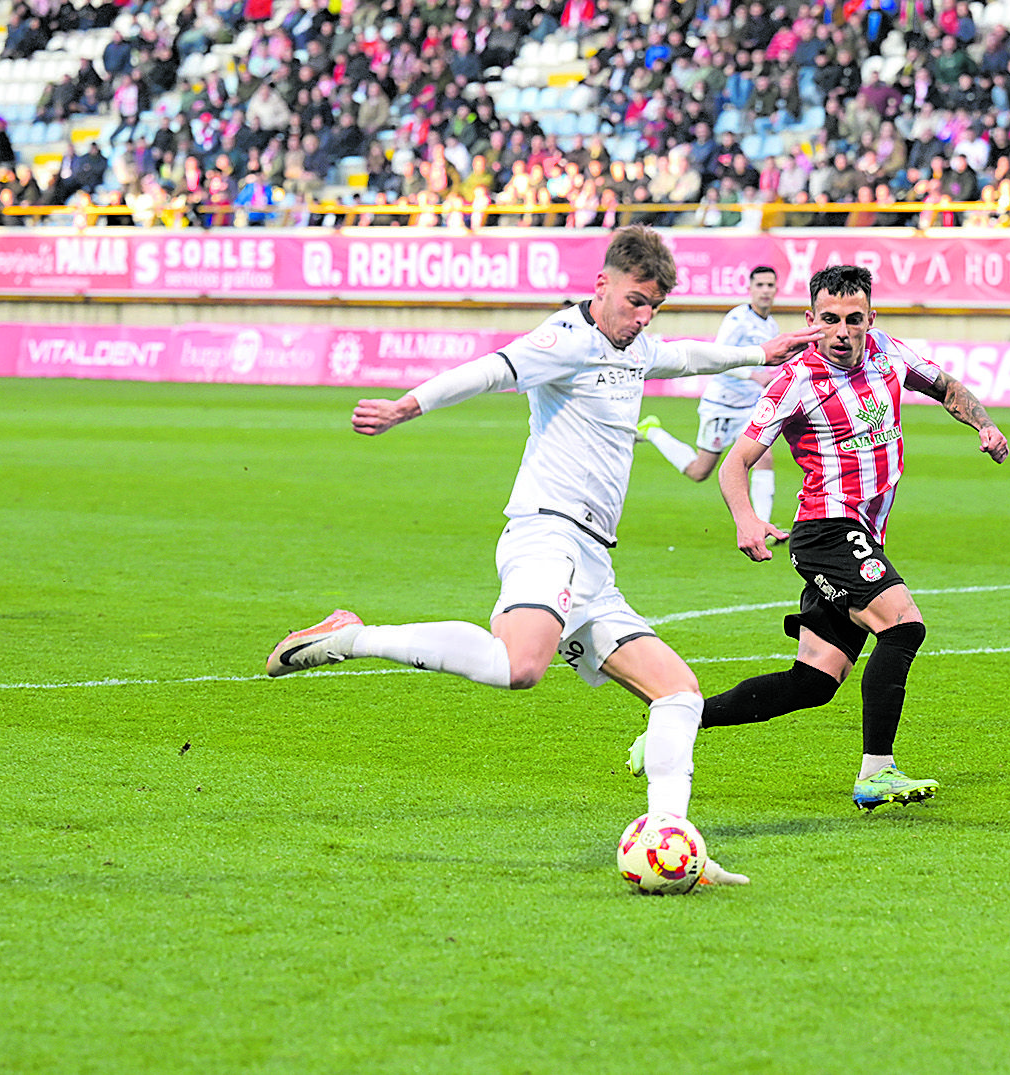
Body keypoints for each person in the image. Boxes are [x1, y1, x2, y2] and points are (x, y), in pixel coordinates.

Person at [263, 226, 822, 887]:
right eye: (635, 301)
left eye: (654, 307)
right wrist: (403, 407)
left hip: (594, 560)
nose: (642, 317)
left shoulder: (636, 343)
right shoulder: (564, 339)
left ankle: (674, 840)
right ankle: (348, 637)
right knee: (519, 665)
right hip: (546, 533)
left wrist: (758, 350)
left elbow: (680, 358)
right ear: (601, 285)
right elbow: (489, 370)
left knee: (678, 692)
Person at [628, 264, 1010, 809]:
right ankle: (877, 772)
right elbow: (735, 464)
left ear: (870, 318)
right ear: (810, 319)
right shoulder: (797, 380)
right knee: (903, 626)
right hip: (827, 529)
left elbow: (947, 386)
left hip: (863, 533)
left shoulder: (888, 352)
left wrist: (985, 425)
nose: (842, 331)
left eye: (854, 319)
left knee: (813, 682)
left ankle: (673, 727)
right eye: (829, 319)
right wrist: (746, 519)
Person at [636, 265, 785, 529]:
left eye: (770, 285)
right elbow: (719, 357)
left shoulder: (770, 325)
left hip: (749, 408)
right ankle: (652, 431)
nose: (765, 291)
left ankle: (763, 526)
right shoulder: (738, 320)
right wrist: (753, 376)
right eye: (760, 285)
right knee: (699, 471)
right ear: (750, 289)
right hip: (722, 405)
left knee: (765, 457)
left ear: (776, 289)